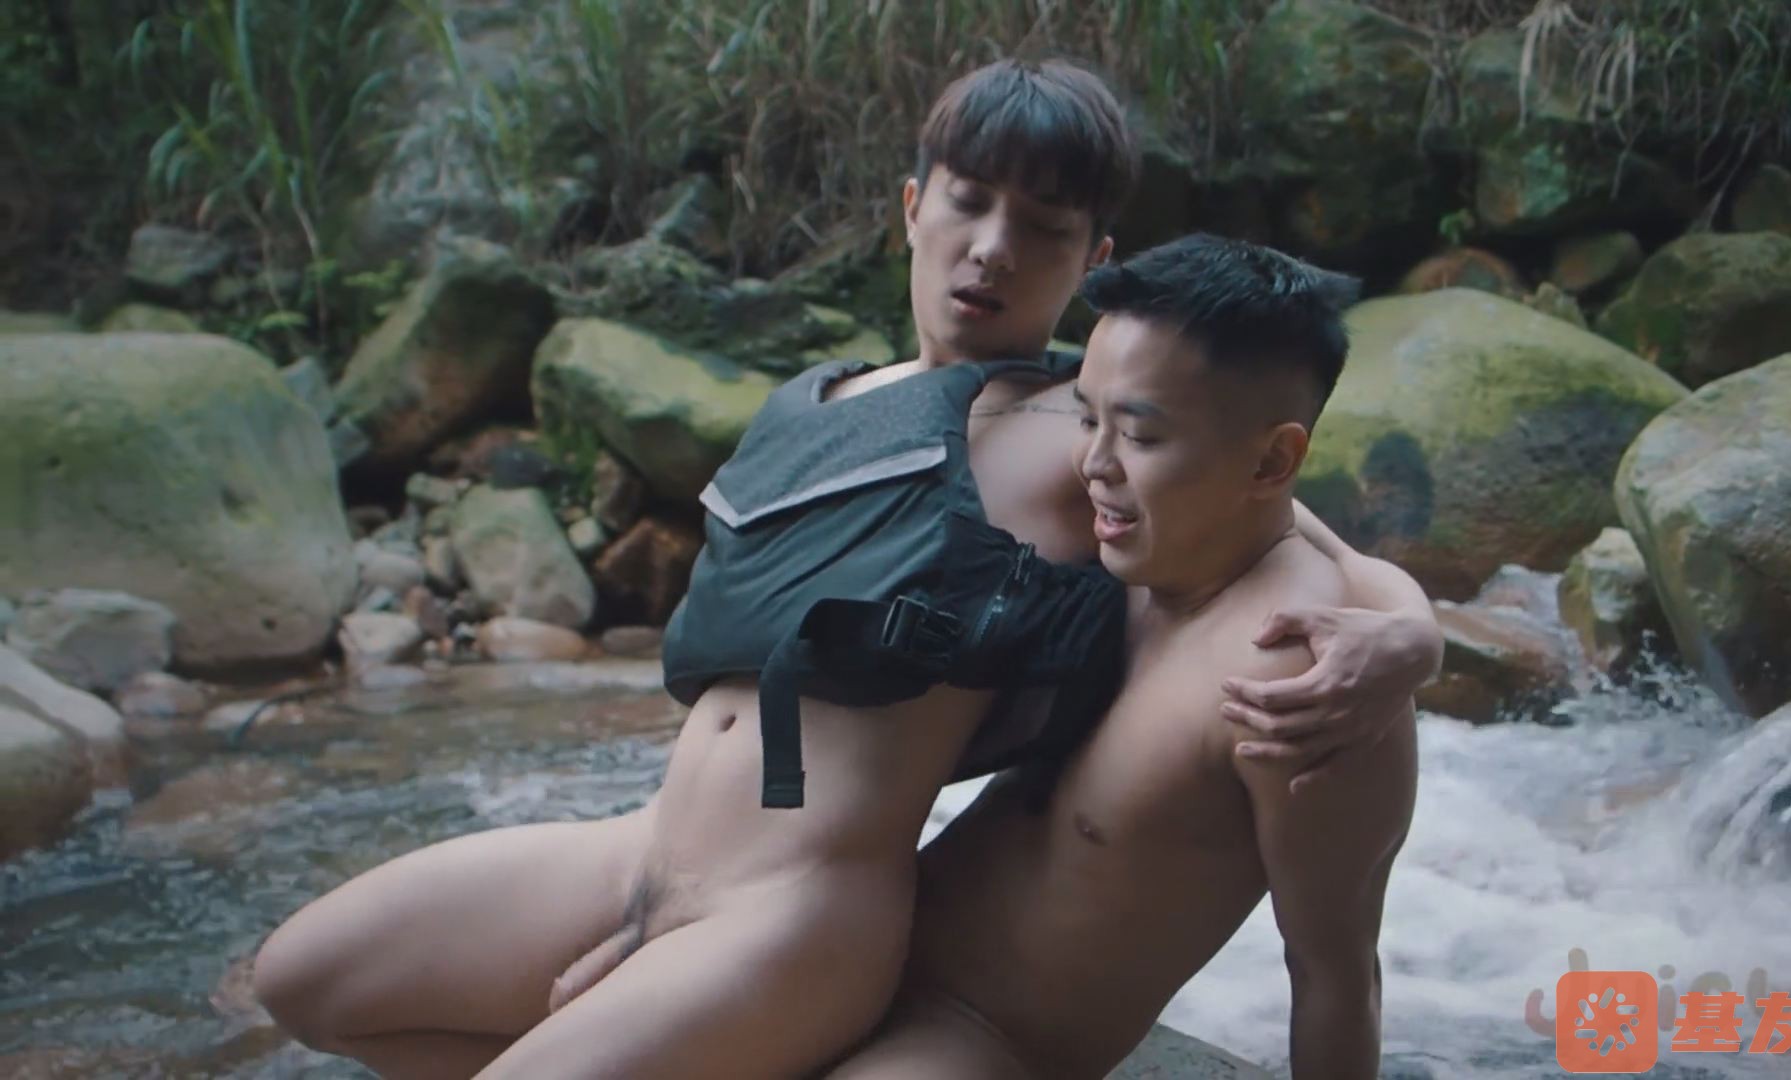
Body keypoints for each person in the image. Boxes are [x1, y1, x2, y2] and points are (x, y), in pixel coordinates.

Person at [251, 60, 1436, 1079]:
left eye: (1044, 227)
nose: (993, 248)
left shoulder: (1081, 427)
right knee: (306, 979)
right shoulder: (824, 400)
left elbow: (1286, 529)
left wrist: (1409, 635)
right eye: (968, 202)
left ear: (1092, 258)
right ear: (913, 208)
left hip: (796, 910)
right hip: (644, 848)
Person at [822, 234, 1422, 1080]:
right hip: (849, 960)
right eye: (1086, 417)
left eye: (1138, 435)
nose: (1090, 464)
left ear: (1272, 460)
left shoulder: (1307, 683)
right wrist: (1419, 623)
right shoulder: (1140, 548)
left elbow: (1336, 975)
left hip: (975, 1042)